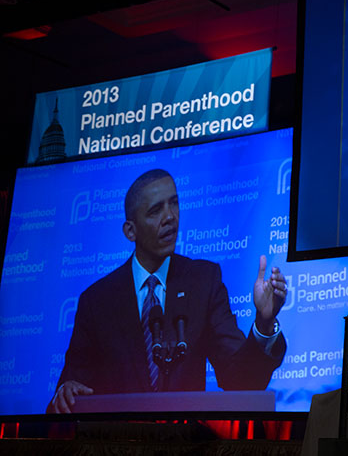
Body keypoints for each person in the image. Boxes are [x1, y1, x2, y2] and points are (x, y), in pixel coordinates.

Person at [47, 169, 287, 413]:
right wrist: (67, 390)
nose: (170, 217)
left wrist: (264, 323)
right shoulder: (97, 301)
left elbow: (242, 381)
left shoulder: (203, 281)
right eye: (155, 210)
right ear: (130, 231)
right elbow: (71, 387)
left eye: (174, 204)